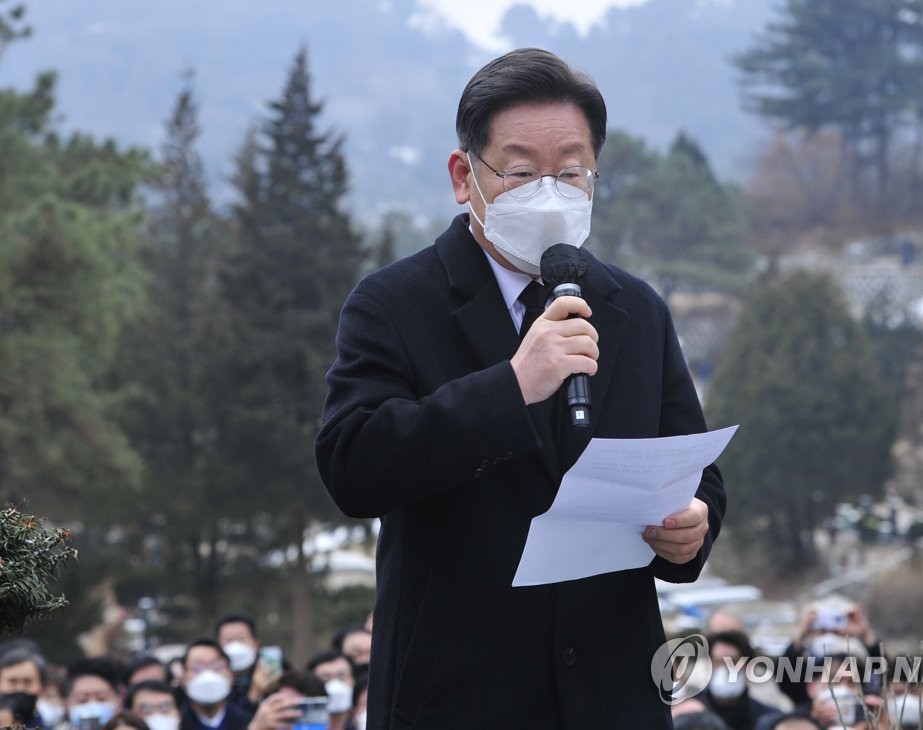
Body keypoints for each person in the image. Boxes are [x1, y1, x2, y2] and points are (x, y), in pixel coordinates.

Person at [315, 47, 727, 728]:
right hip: (456, 695)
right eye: (521, 171)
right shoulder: (393, 303)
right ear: (462, 175)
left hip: (610, 693)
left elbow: (693, 466)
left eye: (570, 171)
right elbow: (353, 464)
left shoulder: (635, 308)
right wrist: (512, 386)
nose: (549, 192)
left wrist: (692, 526)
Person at [697, 631, 782, 730]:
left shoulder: (769, 718)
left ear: (747, 667)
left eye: (733, 662)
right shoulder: (688, 713)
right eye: (718, 662)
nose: (725, 669)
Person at [179, 639, 253, 730]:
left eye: (216, 667)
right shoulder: (174, 724)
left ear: (231, 676)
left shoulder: (250, 722)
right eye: (196, 668)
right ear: (183, 679)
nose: (207, 675)